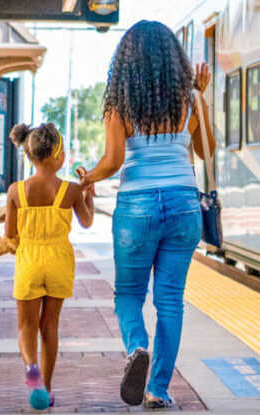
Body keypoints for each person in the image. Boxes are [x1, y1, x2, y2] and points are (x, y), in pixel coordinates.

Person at [77, 20, 213, 409]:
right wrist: (200, 100)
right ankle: (158, 390)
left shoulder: (120, 102)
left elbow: (114, 162)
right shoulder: (191, 99)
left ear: (126, 61)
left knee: (129, 293)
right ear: (175, 59)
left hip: (137, 205)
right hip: (184, 204)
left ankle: (137, 346)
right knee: (170, 300)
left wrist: (88, 177)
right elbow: (206, 151)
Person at [1, 122, 97, 410]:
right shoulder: (69, 191)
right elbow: (88, 221)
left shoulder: (16, 190)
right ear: (56, 155)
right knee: (49, 326)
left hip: (29, 260)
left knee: (26, 328)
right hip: (59, 262)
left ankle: (32, 371)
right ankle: (48, 387)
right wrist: (88, 192)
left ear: (30, 155)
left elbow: (8, 235)